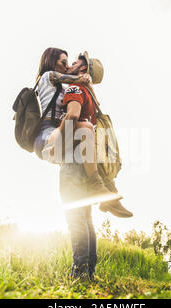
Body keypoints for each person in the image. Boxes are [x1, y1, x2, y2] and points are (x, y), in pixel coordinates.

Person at [58, 52, 133, 280]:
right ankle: (89, 271)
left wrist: (55, 137)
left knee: (75, 218)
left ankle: (79, 272)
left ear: (84, 70)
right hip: (89, 163)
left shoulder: (74, 89)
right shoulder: (90, 94)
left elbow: (72, 116)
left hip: (73, 161)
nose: (70, 64)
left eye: (76, 62)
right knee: (86, 218)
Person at [32, 48, 123, 207]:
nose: (67, 66)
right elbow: (65, 79)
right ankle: (98, 188)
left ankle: (104, 191)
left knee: (85, 136)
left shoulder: (67, 88)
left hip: (58, 133)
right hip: (47, 134)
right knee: (85, 129)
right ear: (51, 61)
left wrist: (88, 84)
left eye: (70, 63)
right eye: (63, 62)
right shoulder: (48, 76)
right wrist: (83, 78)